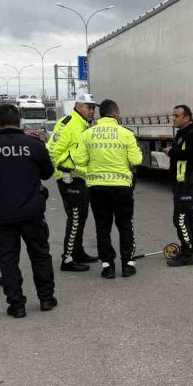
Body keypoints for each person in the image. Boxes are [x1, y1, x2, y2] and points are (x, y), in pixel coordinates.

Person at [0, 104, 56, 319]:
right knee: (40, 255)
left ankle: (16, 305)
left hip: (0, 214)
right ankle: (46, 298)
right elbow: (47, 173)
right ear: (19, 121)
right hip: (32, 213)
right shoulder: (34, 145)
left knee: (8, 260)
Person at [71, 99, 142, 279]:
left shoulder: (87, 134)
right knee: (125, 226)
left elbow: (78, 160)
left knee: (102, 228)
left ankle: (107, 266)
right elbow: (136, 160)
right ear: (116, 113)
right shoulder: (126, 133)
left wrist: (94, 167)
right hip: (122, 188)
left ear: (100, 114)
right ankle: (127, 264)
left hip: (97, 188)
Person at [46, 92, 99, 273]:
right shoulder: (68, 123)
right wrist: (63, 170)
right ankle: (67, 259)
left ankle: (78, 252)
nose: (91, 111)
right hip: (70, 178)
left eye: (93, 107)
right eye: (88, 107)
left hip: (81, 177)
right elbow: (51, 151)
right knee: (75, 217)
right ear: (78, 105)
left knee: (81, 217)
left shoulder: (84, 124)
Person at [162, 104, 193, 267]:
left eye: (177, 115)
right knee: (187, 216)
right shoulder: (181, 134)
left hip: (187, 183)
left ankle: (187, 253)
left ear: (187, 118)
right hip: (180, 183)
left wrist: (171, 152)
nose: (174, 118)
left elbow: (191, 156)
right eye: (173, 115)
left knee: (180, 218)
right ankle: (191, 249)